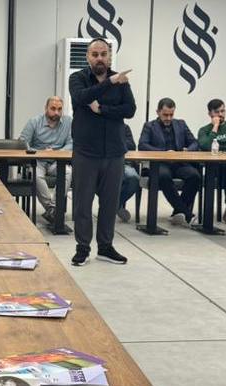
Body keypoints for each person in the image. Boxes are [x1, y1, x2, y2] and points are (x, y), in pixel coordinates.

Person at [69, 38, 136, 266]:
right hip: (86, 152)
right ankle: (82, 248)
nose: (99, 58)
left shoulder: (121, 81)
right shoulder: (77, 78)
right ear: (88, 57)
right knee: (82, 203)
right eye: (95, 54)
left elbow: (130, 110)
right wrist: (110, 82)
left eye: (103, 54)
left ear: (109, 56)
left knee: (109, 203)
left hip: (115, 151)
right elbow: (82, 98)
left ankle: (105, 248)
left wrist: (102, 110)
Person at [138, 97, 201, 225]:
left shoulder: (181, 124)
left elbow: (194, 142)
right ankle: (187, 214)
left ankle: (178, 212)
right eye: (165, 115)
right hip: (159, 163)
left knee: (195, 176)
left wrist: (188, 150)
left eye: (171, 114)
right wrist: (164, 152)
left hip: (179, 163)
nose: (168, 118)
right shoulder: (149, 126)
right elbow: (142, 145)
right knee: (163, 176)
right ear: (158, 112)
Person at [18, 96, 73, 223]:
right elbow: (22, 143)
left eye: (59, 109)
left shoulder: (68, 122)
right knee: (36, 175)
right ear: (46, 108)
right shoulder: (34, 122)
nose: (56, 112)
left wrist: (57, 153)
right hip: (38, 160)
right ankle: (52, 209)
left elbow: (72, 143)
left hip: (57, 161)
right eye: (53, 109)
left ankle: (52, 209)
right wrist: (41, 152)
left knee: (68, 172)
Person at [117, 124, 140, 222]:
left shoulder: (124, 127)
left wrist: (114, 141)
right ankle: (114, 206)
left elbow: (131, 145)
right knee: (95, 176)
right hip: (102, 163)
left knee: (134, 177)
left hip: (124, 163)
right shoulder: (96, 126)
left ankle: (114, 206)